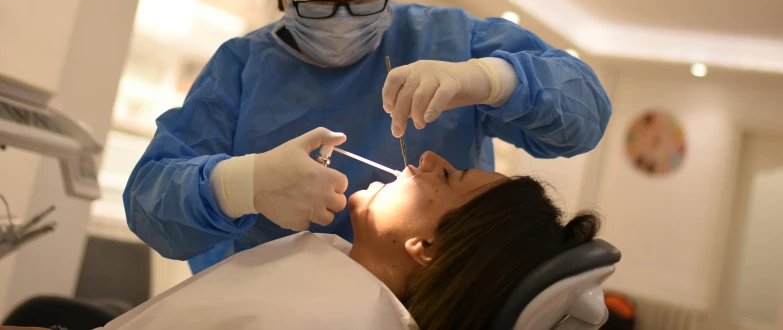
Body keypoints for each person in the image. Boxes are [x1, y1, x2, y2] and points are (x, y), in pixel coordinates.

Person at [124, 0, 612, 274]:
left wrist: (490, 79)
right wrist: (242, 183)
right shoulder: (241, 67)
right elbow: (150, 204)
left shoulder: (445, 39)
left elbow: (584, 115)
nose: (343, 14)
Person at [107, 152, 600, 330]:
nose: (427, 157)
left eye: (447, 176)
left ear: (428, 249)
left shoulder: (334, 317)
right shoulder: (340, 270)